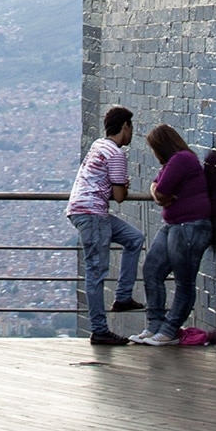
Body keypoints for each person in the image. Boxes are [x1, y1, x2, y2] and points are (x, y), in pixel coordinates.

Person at [67, 105, 147, 346]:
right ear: (125, 127)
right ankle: (100, 330)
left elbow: (105, 183)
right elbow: (120, 195)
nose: (132, 133)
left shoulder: (98, 145)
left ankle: (123, 296)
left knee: (134, 238)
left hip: (85, 210)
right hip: (93, 214)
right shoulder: (116, 154)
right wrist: (123, 185)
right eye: (131, 127)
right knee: (96, 272)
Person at [135, 124, 213, 345]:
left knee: (184, 281)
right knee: (151, 270)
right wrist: (157, 191)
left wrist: (158, 192)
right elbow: (156, 189)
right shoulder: (175, 162)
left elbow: (159, 192)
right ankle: (155, 326)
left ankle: (168, 330)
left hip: (190, 226)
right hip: (174, 224)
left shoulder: (181, 159)